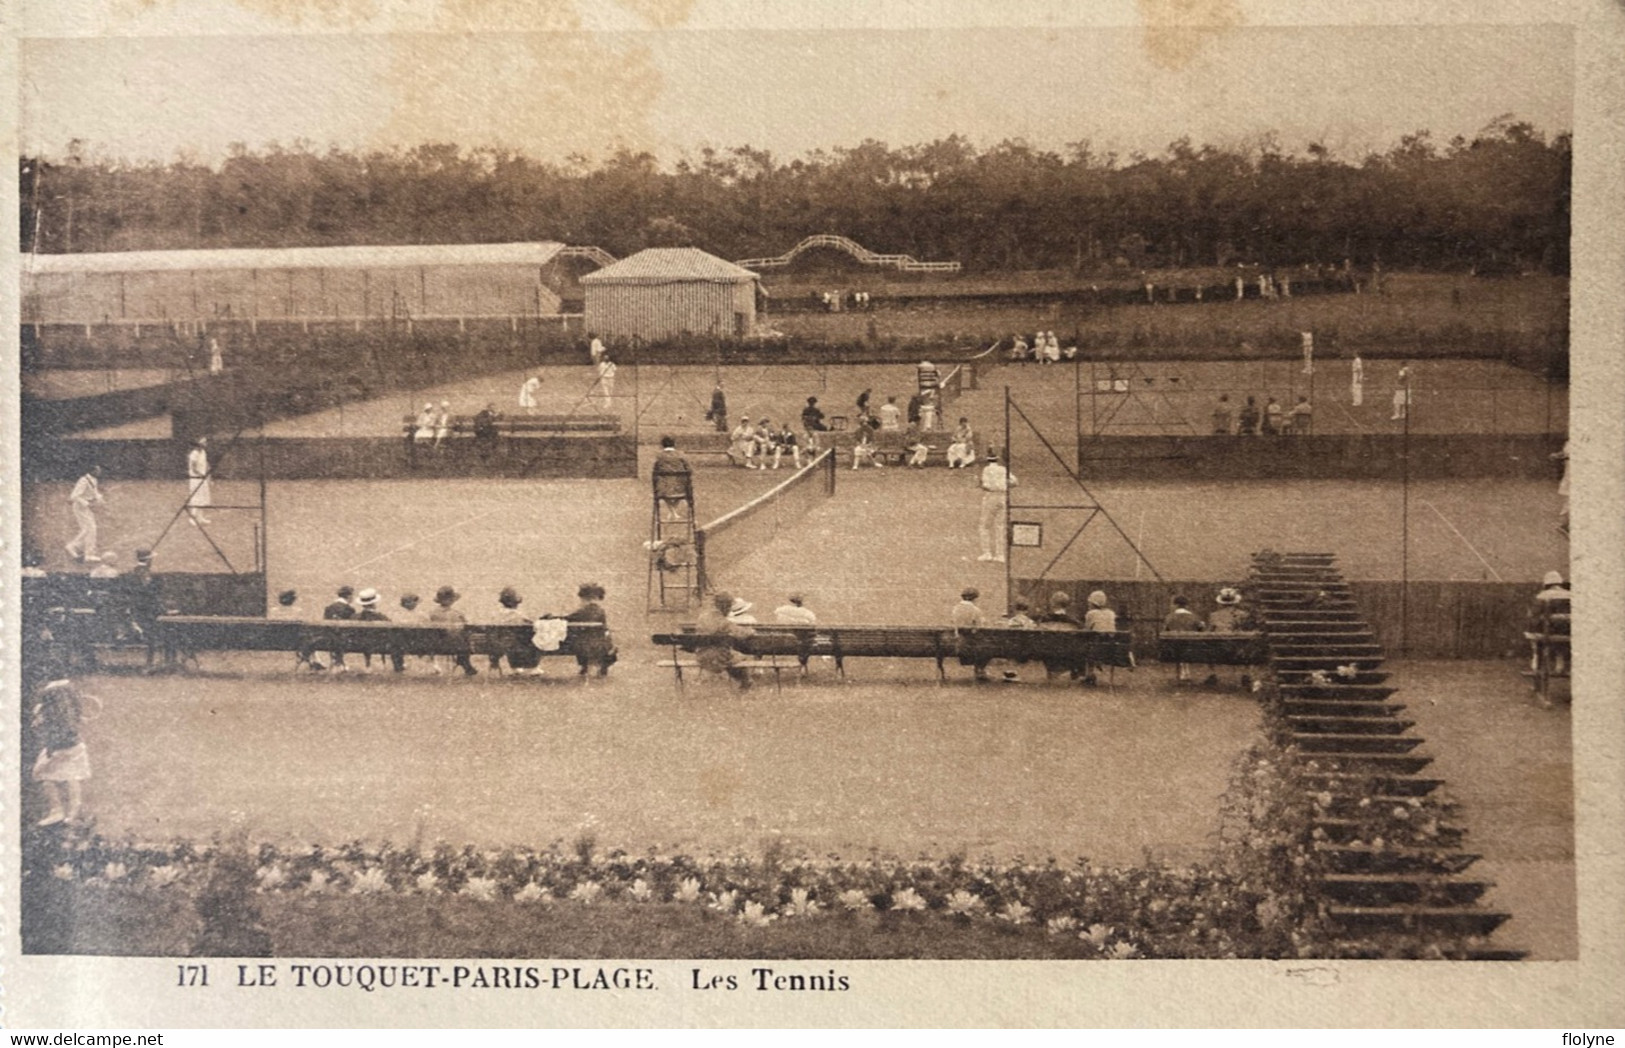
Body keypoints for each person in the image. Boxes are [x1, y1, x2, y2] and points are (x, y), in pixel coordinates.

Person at [31, 678, 99, 826]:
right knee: (63, 777)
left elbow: (61, 735)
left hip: (64, 749)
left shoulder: (61, 717)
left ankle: (63, 811)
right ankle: (65, 811)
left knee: (51, 776)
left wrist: (52, 749)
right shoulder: (59, 712)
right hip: (65, 748)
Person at [695, 591, 756, 690]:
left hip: (701, 656)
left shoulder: (702, 617)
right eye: (729, 606)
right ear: (724, 606)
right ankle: (746, 683)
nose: (729, 610)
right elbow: (741, 634)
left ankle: (744, 683)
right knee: (740, 657)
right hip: (717, 658)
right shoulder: (721, 621)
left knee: (731, 656)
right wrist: (750, 631)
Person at [1525, 571, 1571, 695]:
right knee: (1561, 639)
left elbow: (1533, 617)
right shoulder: (1571, 595)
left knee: (1533, 634)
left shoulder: (1542, 596)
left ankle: (1536, 661)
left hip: (1548, 635)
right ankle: (1559, 662)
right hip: (1569, 635)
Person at [565, 583, 615, 678]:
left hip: (584, 642)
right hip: (601, 640)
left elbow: (569, 618)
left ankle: (585, 666)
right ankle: (600, 666)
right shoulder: (600, 610)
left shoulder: (584, 611)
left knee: (580, 641)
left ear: (585, 598)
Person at [428, 585, 477, 677]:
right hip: (457, 646)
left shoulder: (433, 614)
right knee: (464, 637)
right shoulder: (457, 614)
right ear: (452, 600)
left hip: (438, 645)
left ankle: (464, 663)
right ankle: (464, 662)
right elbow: (467, 626)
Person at [977, 448, 1016, 562]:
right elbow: (1014, 482)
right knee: (1000, 526)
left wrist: (981, 485)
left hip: (991, 496)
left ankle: (987, 553)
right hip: (1003, 496)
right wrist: (1004, 485)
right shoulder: (1003, 469)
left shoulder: (987, 470)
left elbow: (986, 485)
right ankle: (1000, 555)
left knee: (985, 525)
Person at [489, 586, 537, 676]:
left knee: (510, 638)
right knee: (530, 638)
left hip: (498, 643)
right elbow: (532, 624)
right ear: (516, 602)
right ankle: (534, 667)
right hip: (515, 644)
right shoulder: (518, 615)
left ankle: (515, 667)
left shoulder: (496, 614)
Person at [65, 465, 105, 563]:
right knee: (90, 529)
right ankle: (88, 554)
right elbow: (74, 496)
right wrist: (87, 504)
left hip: (85, 507)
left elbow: (94, 492)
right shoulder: (83, 481)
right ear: (91, 471)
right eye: (97, 470)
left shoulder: (94, 480)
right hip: (80, 507)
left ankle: (73, 546)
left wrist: (100, 499)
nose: (99, 472)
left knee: (89, 529)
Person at [1078, 589, 1118, 686]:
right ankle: (1091, 675)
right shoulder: (1111, 613)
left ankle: (1089, 675)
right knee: (1093, 643)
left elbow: (1087, 630)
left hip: (1095, 649)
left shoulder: (1091, 614)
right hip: (1112, 648)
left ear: (1092, 603)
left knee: (1087, 644)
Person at [355, 587, 399, 674]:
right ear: (374, 603)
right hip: (380, 644)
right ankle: (398, 667)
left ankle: (368, 664)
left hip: (358, 644)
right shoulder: (381, 617)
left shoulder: (355, 617)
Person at [1162, 595, 1204, 684]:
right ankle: (1185, 671)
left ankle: (1182, 671)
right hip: (1192, 646)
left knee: (1179, 647)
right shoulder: (1194, 617)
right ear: (1186, 605)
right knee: (1185, 646)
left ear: (1175, 605)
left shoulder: (1169, 617)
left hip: (1173, 647)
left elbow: (1166, 630)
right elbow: (1201, 629)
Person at [951, 587, 991, 681]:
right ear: (974, 598)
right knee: (989, 646)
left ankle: (979, 670)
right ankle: (980, 670)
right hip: (970, 643)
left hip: (958, 641)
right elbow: (979, 627)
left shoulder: (955, 609)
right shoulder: (975, 610)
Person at [652, 436, 694, 520]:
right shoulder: (681, 455)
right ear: (674, 445)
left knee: (663, 489)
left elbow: (655, 471)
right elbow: (689, 470)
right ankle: (673, 512)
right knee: (682, 487)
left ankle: (672, 512)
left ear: (662, 445)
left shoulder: (659, 456)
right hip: (681, 488)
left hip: (663, 489)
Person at [323, 585, 357, 673]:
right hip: (345, 640)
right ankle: (339, 663)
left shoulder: (329, 608)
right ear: (349, 596)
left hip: (328, 639)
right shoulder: (349, 609)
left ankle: (336, 662)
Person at [185, 437, 214, 525]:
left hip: (203, 478)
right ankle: (192, 518)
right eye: (203, 442)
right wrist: (202, 475)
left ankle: (200, 518)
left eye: (205, 442)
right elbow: (194, 468)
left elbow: (206, 464)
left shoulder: (203, 452)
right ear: (198, 443)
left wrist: (209, 477)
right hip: (196, 479)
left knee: (203, 498)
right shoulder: (194, 454)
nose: (205, 444)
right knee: (196, 498)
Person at [1553, 440, 1571, 534]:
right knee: (1569, 498)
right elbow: (1565, 453)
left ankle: (1565, 523)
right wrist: (1558, 455)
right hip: (1570, 472)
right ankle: (1564, 524)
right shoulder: (1569, 442)